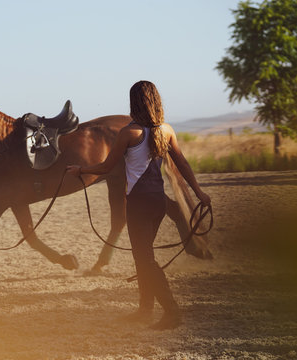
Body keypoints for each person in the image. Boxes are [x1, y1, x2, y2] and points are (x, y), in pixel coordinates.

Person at [66, 81, 211, 330]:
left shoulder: (129, 133)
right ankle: (145, 309)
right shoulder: (166, 130)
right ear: (156, 100)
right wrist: (199, 193)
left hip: (138, 205)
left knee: (145, 260)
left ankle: (172, 312)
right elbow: (183, 165)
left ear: (134, 102)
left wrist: (80, 170)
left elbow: (105, 167)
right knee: (143, 256)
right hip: (158, 203)